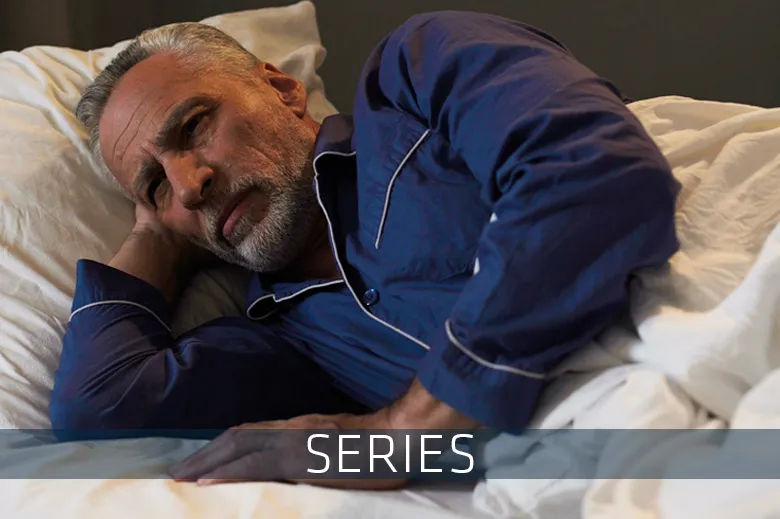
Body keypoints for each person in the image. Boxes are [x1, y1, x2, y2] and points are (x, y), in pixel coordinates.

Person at [50, 11, 680, 488]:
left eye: (194, 126)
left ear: (282, 88)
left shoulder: (418, 74)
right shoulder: (289, 344)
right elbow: (100, 408)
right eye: (156, 185)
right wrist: (155, 237)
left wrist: (406, 428)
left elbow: (593, 175)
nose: (190, 185)